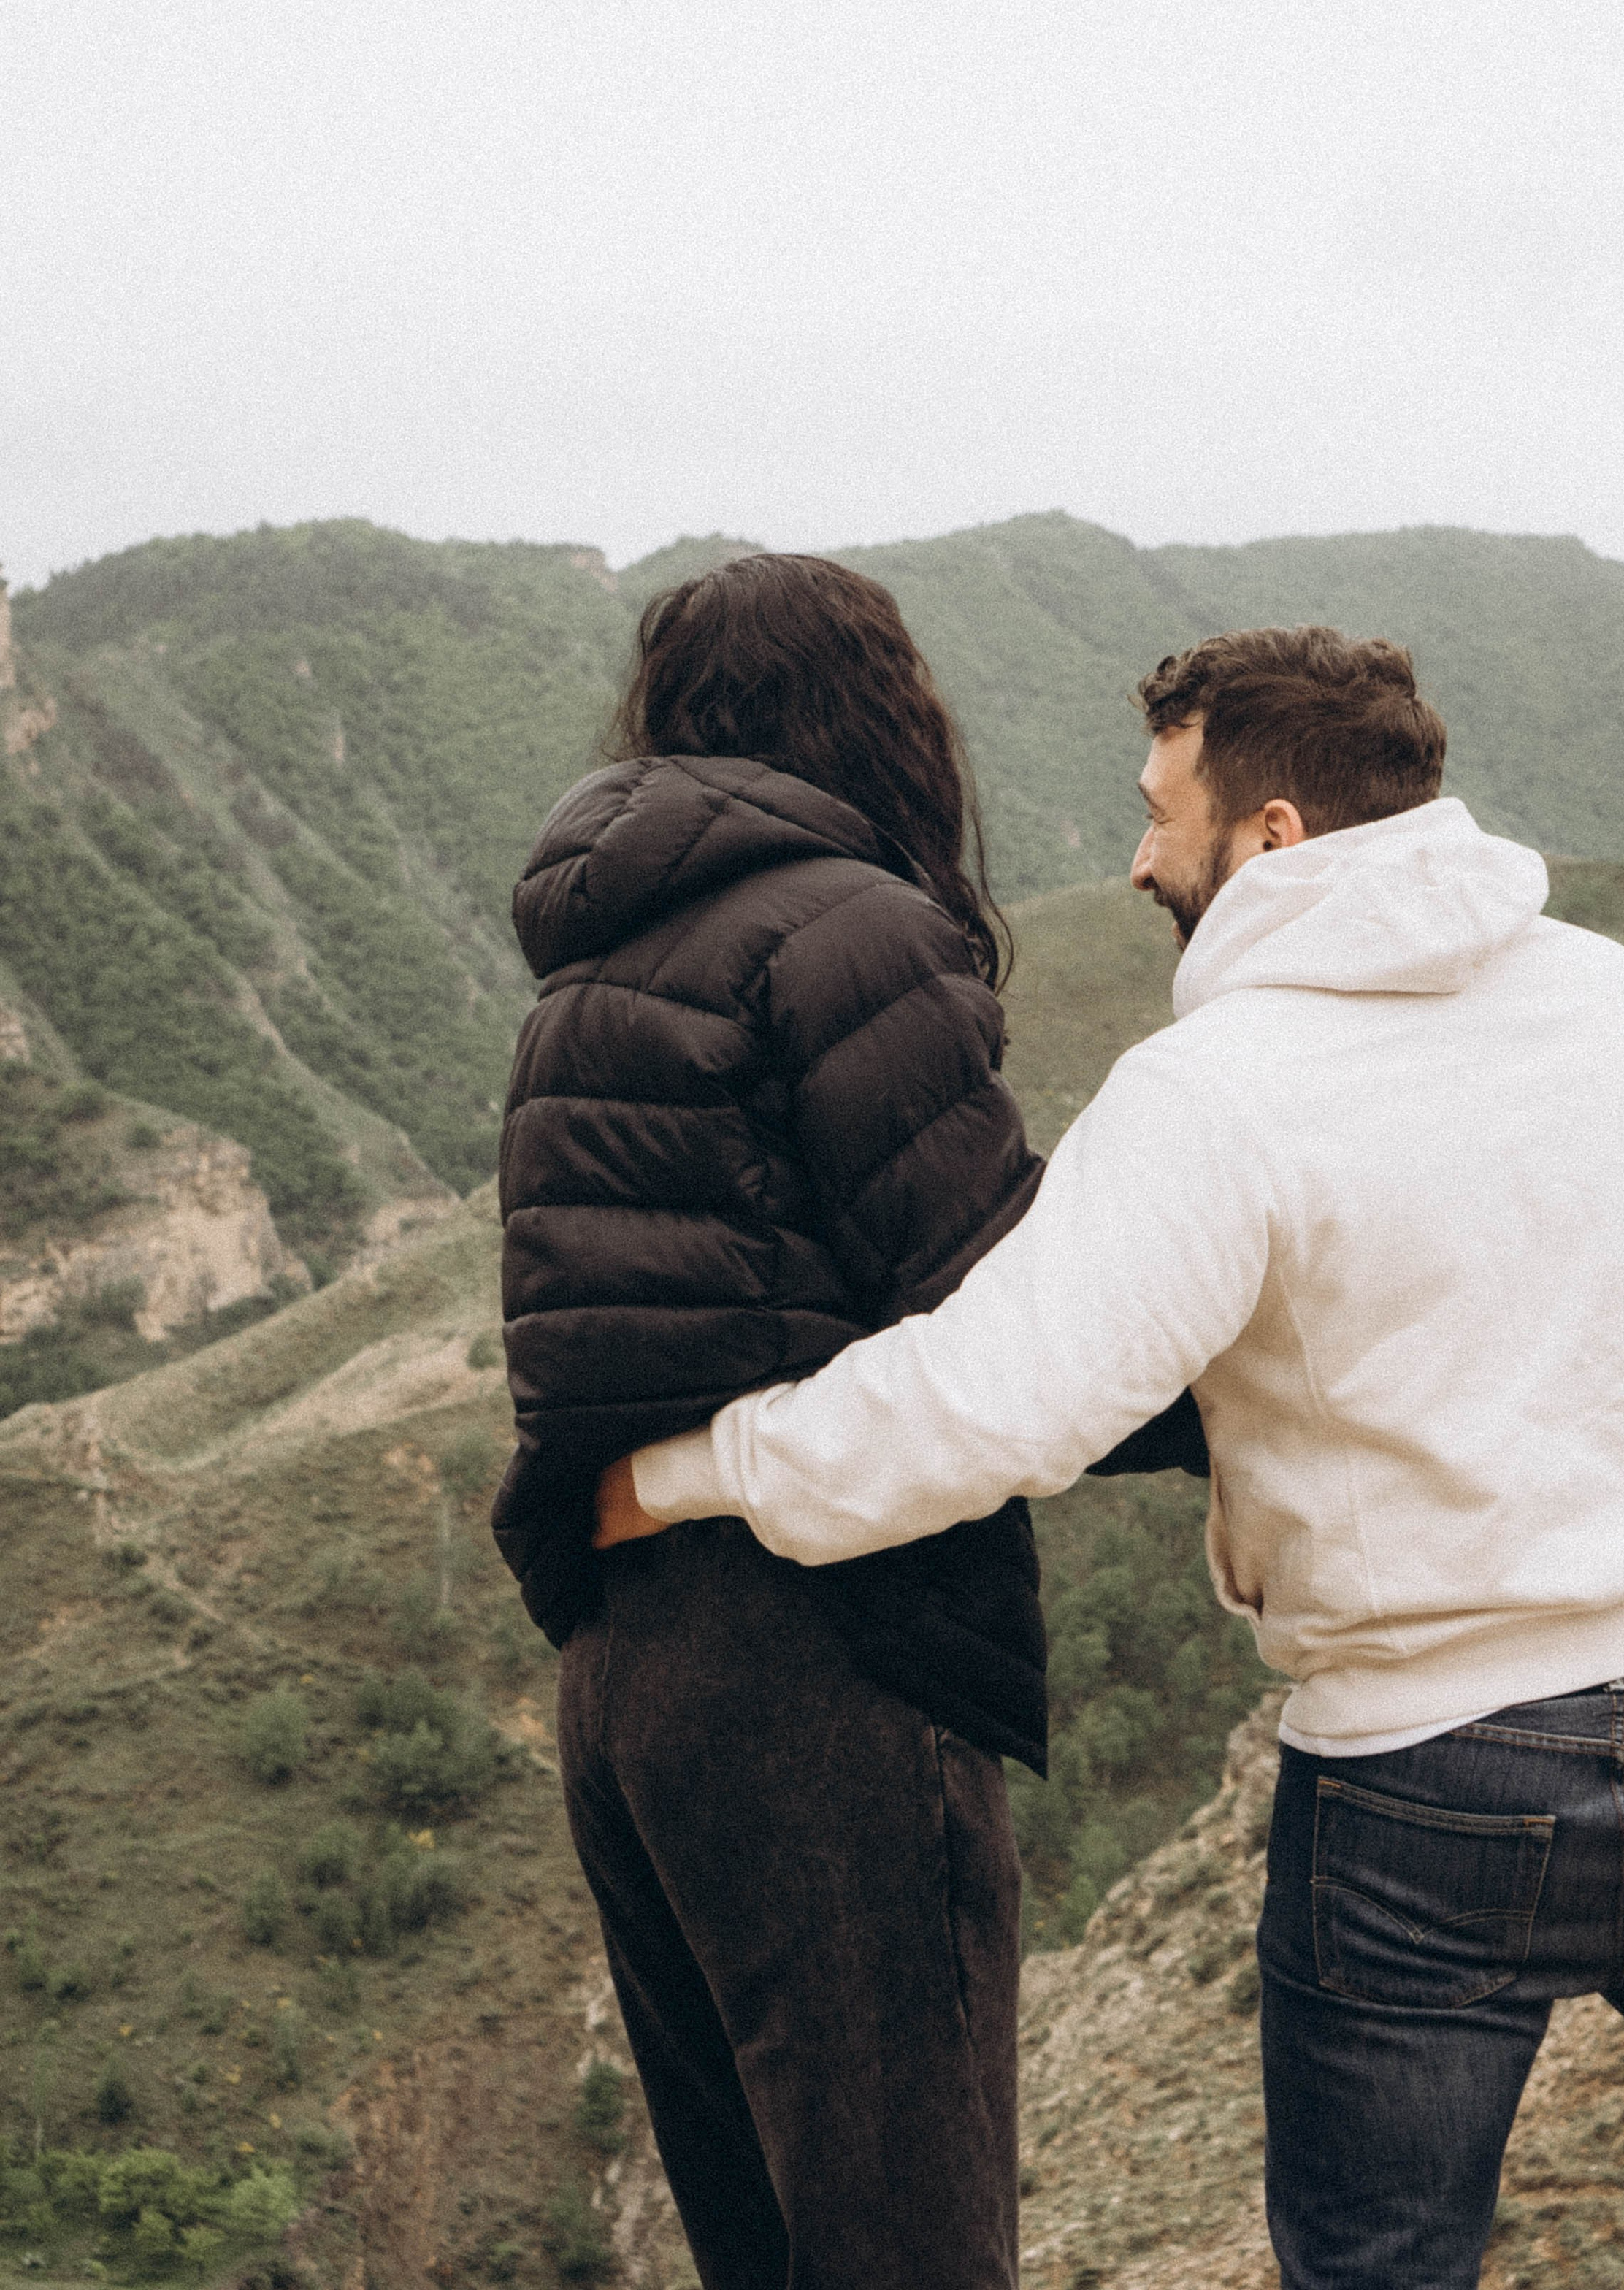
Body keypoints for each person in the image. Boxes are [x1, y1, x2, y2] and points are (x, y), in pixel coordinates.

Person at [610, 624, 1624, 2290]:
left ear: (1272, 835)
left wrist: (682, 1470)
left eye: (1161, 814)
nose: (1137, 859)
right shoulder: (1614, 995)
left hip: (1432, 1775)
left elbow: (990, 1408)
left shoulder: (1217, 1091)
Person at [490, 551, 1200, 2290]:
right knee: (905, 2242)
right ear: (882, 711)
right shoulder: (849, 931)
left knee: (761, 2244)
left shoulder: (585, 972)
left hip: (625, 1671)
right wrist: (1261, 1374)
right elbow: (1005, 1320)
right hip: (823, 1656)